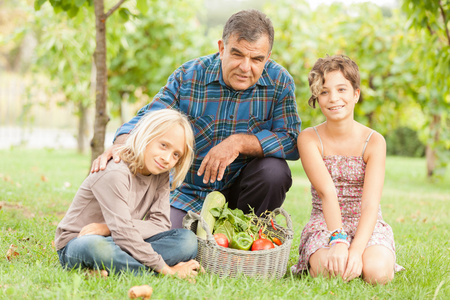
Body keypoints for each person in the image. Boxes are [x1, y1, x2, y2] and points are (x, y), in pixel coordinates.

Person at [91, 9, 301, 228]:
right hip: (189, 193)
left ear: (267, 58)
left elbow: (291, 139)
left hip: (244, 195)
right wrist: (121, 144)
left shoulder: (280, 82)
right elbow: (150, 117)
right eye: (237, 54)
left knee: (274, 171)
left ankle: (249, 230)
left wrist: (239, 143)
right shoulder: (189, 75)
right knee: (168, 240)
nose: (245, 67)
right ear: (222, 48)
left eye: (256, 59)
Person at [290, 55, 404, 284]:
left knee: (378, 274)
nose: (333, 99)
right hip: (325, 222)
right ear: (317, 98)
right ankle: (329, 258)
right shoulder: (309, 139)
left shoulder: (374, 141)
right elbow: (327, 192)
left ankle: (366, 259)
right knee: (330, 272)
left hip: (365, 221)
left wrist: (356, 250)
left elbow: (370, 204)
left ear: (356, 94)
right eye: (324, 92)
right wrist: (339, 240)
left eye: (341, 89)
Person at [55, 109, 201, 278]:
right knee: (96, 247)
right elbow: (124, 234)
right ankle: (161, 272)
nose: (167, 158)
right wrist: (168, 270)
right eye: (163, 145)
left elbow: (160, 225)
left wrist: (108, 228)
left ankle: (112, 268)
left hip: (122, 238)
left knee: (187, 241)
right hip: (79, 242)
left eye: (176, 154)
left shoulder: (161, 173)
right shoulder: (115, 172)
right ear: (146, 136)